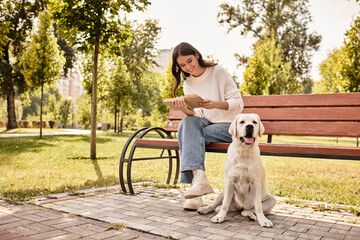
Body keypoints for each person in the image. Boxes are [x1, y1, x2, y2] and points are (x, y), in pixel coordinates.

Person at [171, 42, 244, 210]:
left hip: (230, 127)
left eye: (189, 61)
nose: (188, 67)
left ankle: (195, 190)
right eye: (182, 65)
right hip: (208, 126)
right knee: (187, 122)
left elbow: (238, 104)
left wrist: (216, 104)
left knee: (188, 133)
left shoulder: (217, 72)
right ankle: (199, 182)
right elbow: (199, 115)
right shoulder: (188, 83)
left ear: (197, 55)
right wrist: (186, 109)